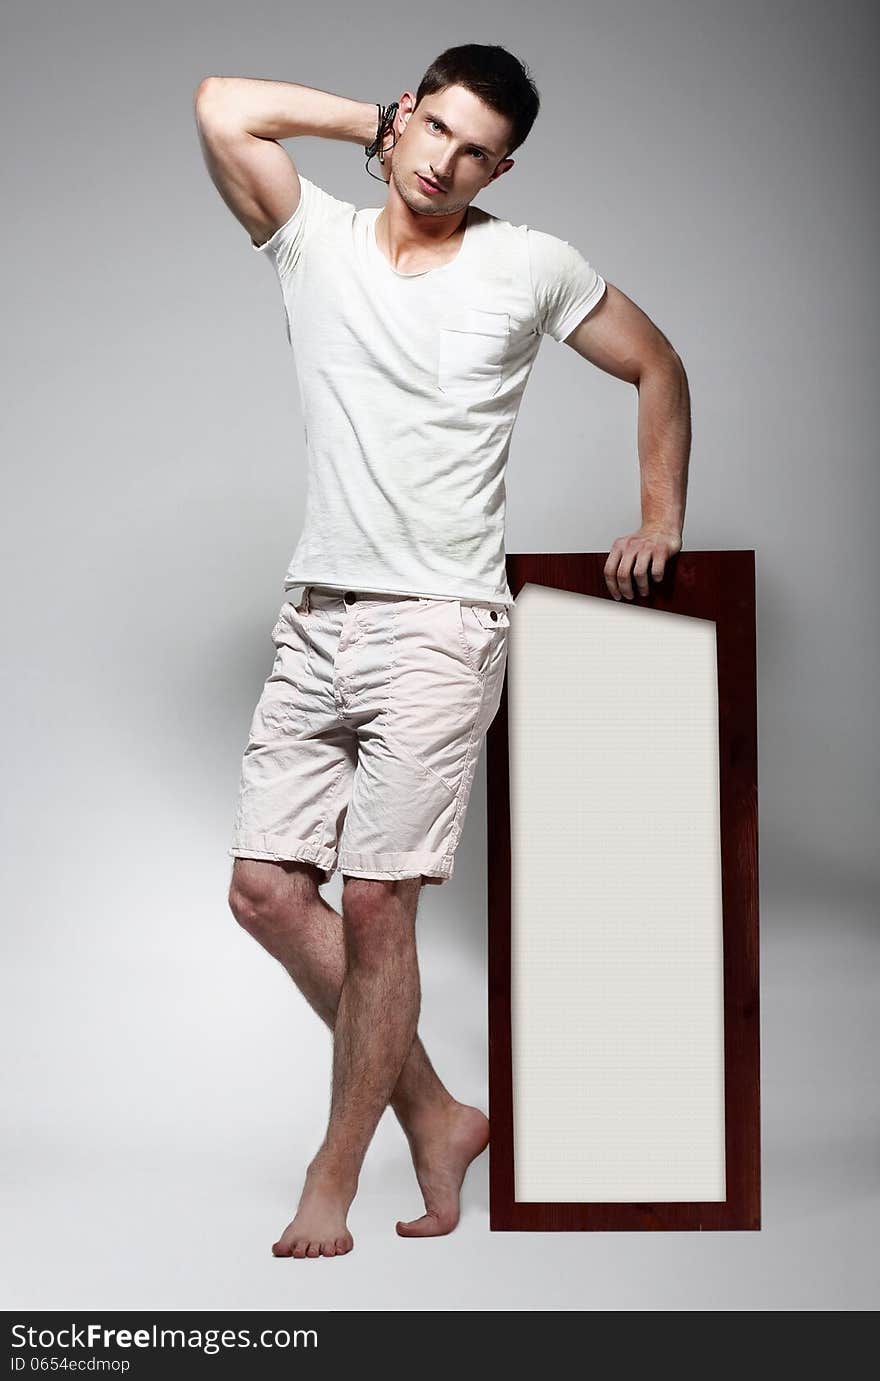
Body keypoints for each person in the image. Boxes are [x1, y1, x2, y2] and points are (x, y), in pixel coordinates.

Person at [193, 43, 691, 1259]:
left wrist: (660, 514)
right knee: (265, 892)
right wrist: (365, 117)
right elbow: (224, 104)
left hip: (441, 622)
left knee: (375, 902)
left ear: (502, 166)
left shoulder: (531, 266)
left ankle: (332, 1175)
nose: (445, 165)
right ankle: (439, 1113)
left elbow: (656, 365)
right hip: (318, 612)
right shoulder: (310, 238)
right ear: (405, 118)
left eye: (477, 153)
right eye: (433, 133)